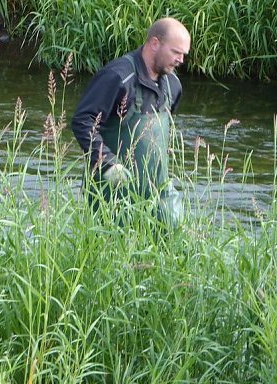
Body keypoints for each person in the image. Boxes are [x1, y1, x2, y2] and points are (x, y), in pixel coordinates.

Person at [71, 17, 191, 227]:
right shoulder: (117, 76)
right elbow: (83, 121)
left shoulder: (173, 85)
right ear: (154, 43)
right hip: (112, 191)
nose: (181, 59)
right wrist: (107, 162)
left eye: (184, 54)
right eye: (176, 52)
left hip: (155, 192)